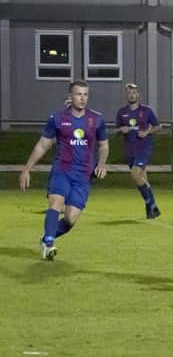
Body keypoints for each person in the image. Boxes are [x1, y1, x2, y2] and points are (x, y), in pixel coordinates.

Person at [19, 80, 109, 260]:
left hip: (84, 175)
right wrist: (26, 169)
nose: (82, 98)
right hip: (62, 170)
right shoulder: (58, 119)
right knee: (56, 203)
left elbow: (104, 145)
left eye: (85, 94)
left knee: (70, 219)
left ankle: (46, 237)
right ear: (70, 96)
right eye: (78, 94)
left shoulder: (96, 119)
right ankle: (49, 245)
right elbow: (42, 145)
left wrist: (102, 163)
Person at [115, 83, 162, 219]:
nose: (131, 95)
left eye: (134, 92)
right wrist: (121, 129)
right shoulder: (121, 112)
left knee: (135, 174)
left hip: (143, 148)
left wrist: (147, 132)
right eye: (129, 92)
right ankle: (152, 208)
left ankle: (149, 203)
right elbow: (116, 129)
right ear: (126, 95)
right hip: (130, 150)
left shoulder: (146, 110)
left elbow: (158, 126)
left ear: (138, 94)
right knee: (142, 179)